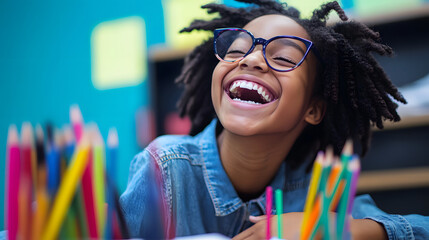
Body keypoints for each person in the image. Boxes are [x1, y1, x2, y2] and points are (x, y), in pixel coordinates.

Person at [119, 0, 429, 239]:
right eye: (237, 50)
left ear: (313, 109)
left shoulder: (318, 188)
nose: (251, 59)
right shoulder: (164, 167)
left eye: (282, 58)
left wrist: (334, 227)